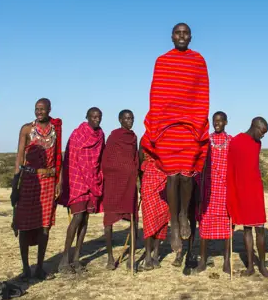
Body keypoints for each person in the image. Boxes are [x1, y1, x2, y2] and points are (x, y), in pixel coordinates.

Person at [141, 23, 210, 252]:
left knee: (187, 175)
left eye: (185, 33)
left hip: (190, 126)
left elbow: (202, 94)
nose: (182, 36)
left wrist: (199, 122)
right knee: (172, 175)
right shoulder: (162, 61)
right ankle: (173, 223)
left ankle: (183, 213)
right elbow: (157, 95)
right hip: (167, 127)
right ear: (172, 36)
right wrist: (157, 126)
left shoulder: (198, 61)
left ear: (191, 36)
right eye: (178, 33)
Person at [11, 99, 62, 281]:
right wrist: (15, 185)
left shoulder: (56, 129)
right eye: (36, 109)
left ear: (49, 109)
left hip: (48, 182)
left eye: (42, 109)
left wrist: (59, 181)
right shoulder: (26, 129)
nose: (39, 112)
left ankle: (39, 267)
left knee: (44, 226)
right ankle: (26, 268)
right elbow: (19, 157)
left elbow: (58, 158)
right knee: (24, 226)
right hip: (29, 181)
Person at [58, 107, 105, 273]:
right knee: (77, 217)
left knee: (85, 219)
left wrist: (97, 177)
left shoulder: (100, 135)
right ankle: (64, 259)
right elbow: (69, 159)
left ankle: (77, 258)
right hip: (78, 180)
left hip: (92, 180)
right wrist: (65, 182)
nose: (96, 120)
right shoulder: (77, 134)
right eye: (93, 117)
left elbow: (100, 158)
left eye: (99, 117)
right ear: (87, 117)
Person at [226, 117, 268, 278]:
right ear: (255, 126)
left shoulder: (257, 144)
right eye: (262, 132)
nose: (263, 136)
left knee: (260, 229)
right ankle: (250, 266)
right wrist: (232, 191)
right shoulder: (236, 141)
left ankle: (263, 266)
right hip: (242, 190)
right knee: (246, 229)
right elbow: (230, 167)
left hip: (255, 190)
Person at [102, 110, 139, 270]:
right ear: (120, 120)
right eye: (126, 118)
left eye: (131, 118)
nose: (129, 121)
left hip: (130, 184)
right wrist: (122, 169)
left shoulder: (133, 137)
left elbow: (135, 159)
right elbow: (107, 160)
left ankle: (131, 258)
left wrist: (132, 171)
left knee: (133, 219)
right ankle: (110, 257)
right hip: (113, 184)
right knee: (109, 221)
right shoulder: (114, 137)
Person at [196, 111, 232, 274]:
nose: (216, 123)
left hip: (225, 188)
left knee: (226, 224)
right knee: (205, 224)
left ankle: (226, 261)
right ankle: (203, 260)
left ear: (225, 122)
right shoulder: (206, 141)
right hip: (208, 188)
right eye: (214, 121)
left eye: (220, 121)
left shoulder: (231, 141)